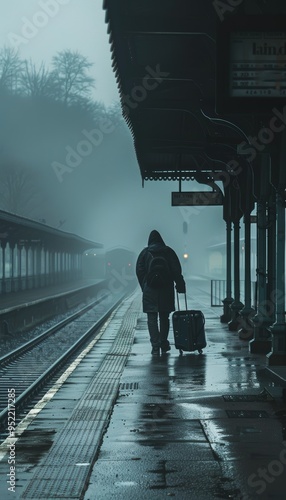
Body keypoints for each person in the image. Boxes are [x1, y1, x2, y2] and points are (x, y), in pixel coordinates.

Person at [136, 230, 186, 355]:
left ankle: (155, 345)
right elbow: (176, 270)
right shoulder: (168, 251)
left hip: (150, 290)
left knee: (151, 318)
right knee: (164, 317)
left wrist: (145, 285)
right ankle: (164, 342)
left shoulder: (144, 253)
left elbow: (139, 270)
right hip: (166, 288)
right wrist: (180, 285)